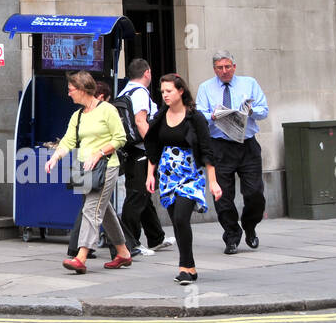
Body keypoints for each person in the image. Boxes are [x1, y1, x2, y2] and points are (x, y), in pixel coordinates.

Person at [45, 71, 132, 273]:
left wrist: (99, 153)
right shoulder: (78, 115)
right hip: (86, 169)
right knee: (104, 209)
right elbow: (68, 141)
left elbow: (120, 138)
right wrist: (54, 158)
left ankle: (81, 256)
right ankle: (123, 252)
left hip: (106, 166)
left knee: (91, 209)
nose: (69, 94)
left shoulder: (107, 110)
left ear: (83, 89)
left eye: (71, 90)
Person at [146, 73, 221, 284]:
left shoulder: (195, 118)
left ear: (181, 91)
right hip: (168, 177)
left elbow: (207, 150)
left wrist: (213, 181)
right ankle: (189, 267)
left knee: (181, 218)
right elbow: (153, 147)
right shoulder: (161, 116)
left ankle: (185, 266)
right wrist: (150, 175)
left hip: (190, 176)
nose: (165, 95)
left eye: (169, 91)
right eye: (162, 92)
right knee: (177, 223)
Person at [195, 50, 269, 254]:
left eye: (228, 67)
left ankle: (250, 226)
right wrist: (213, 115)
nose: (224, 71)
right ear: (214, 69)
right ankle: (232, 235)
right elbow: (198, 114)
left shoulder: (249, 84)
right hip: (220, 146)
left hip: (247, 145)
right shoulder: (206, 88)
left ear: (234, 67)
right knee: (223, 196)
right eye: (220, 68)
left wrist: (251, 111)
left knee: (254, 193)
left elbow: (264, 109)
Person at [116, 59, 174, 256]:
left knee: (143, 194)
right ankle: (129, 243)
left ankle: (155, 237)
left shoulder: (124, 92)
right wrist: (152, 147)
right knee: (136, 196)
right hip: (141, 150)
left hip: (131, 150)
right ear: (147, 72)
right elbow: (141, 121)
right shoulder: (139, 93)